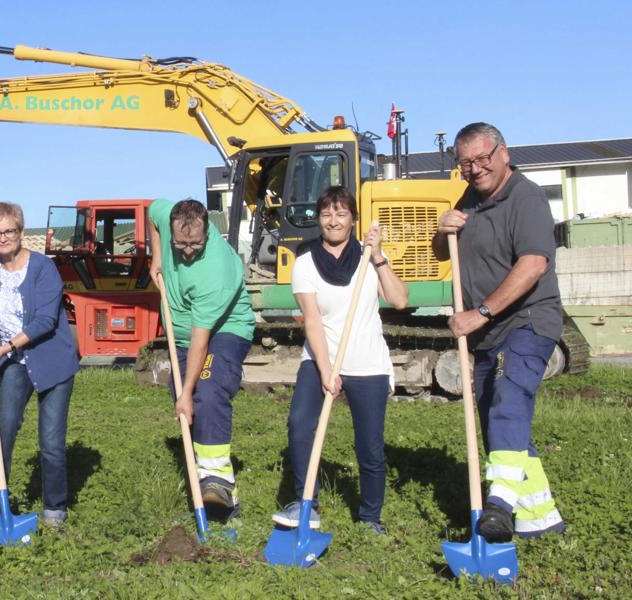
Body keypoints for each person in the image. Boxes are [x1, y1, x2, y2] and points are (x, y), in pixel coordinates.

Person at [433, 122, 565, 541]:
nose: (474, 169)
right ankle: (541, 519)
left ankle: (499, 508)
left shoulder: (526, 198)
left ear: (503, 153)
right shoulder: (470, 199)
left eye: (482, 159)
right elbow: (443, 253)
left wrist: (482, 312)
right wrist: (443, 230)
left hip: (526, 321)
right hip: (489, 333)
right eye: (465, 162)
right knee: (502, 429)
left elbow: (533, 265)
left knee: (508, 400)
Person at [271, 186, 407, 536]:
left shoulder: (368, 259)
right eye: (327, 214)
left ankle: (370, 518)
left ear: (352, 220)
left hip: (367, 361)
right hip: (320, 356)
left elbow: (399, 300)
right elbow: (312, 319)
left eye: (341, 214)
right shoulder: (304, 263)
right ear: (319, 219)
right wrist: (326, 368)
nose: (333, 221)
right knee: (300, 424)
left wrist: (379, 256)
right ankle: (307, 503)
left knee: (369, 444)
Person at [0, 202, 79, 529]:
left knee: (51, 441)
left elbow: (45, 320)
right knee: (5, 425)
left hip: (52, 360)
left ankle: (54, 511)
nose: (3, 238)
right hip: (14, 361)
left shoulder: (43, 268)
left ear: (20, 232)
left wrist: (3, 349)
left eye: (9, 231)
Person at [148, 198, 254, 519]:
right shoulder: (167, 217)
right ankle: (202, 475)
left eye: (196, 244)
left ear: (208, 231)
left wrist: (187, 392)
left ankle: (219, 484)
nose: (188, 251)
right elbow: (152, 211)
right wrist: (156, 258)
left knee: (204, 391)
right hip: (181, 336)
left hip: (225, 330)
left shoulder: (215, 271)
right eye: (180, 244)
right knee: (184, 406)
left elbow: (200, 339)